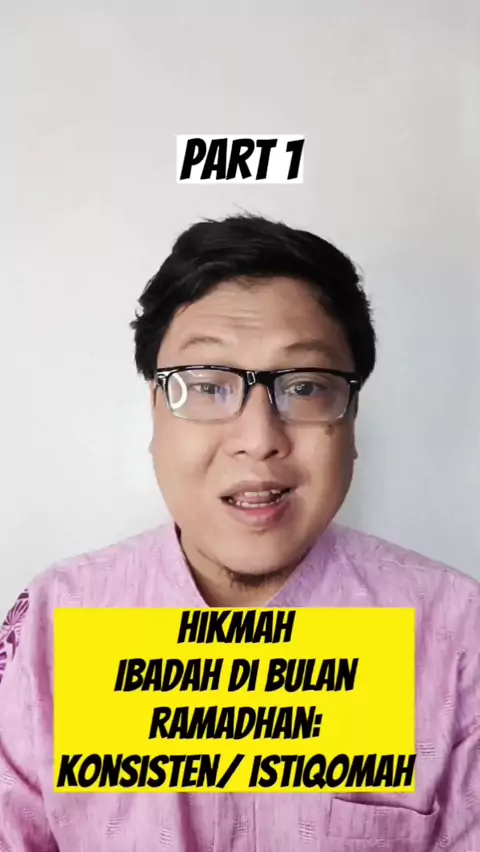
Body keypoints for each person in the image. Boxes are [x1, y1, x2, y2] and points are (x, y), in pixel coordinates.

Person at [0, 214, 478, 851]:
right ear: (155, 413)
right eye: (207, 386)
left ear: (352, 419)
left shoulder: (457, 632)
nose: (257, 440)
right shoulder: (56, 622)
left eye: (304, 386)